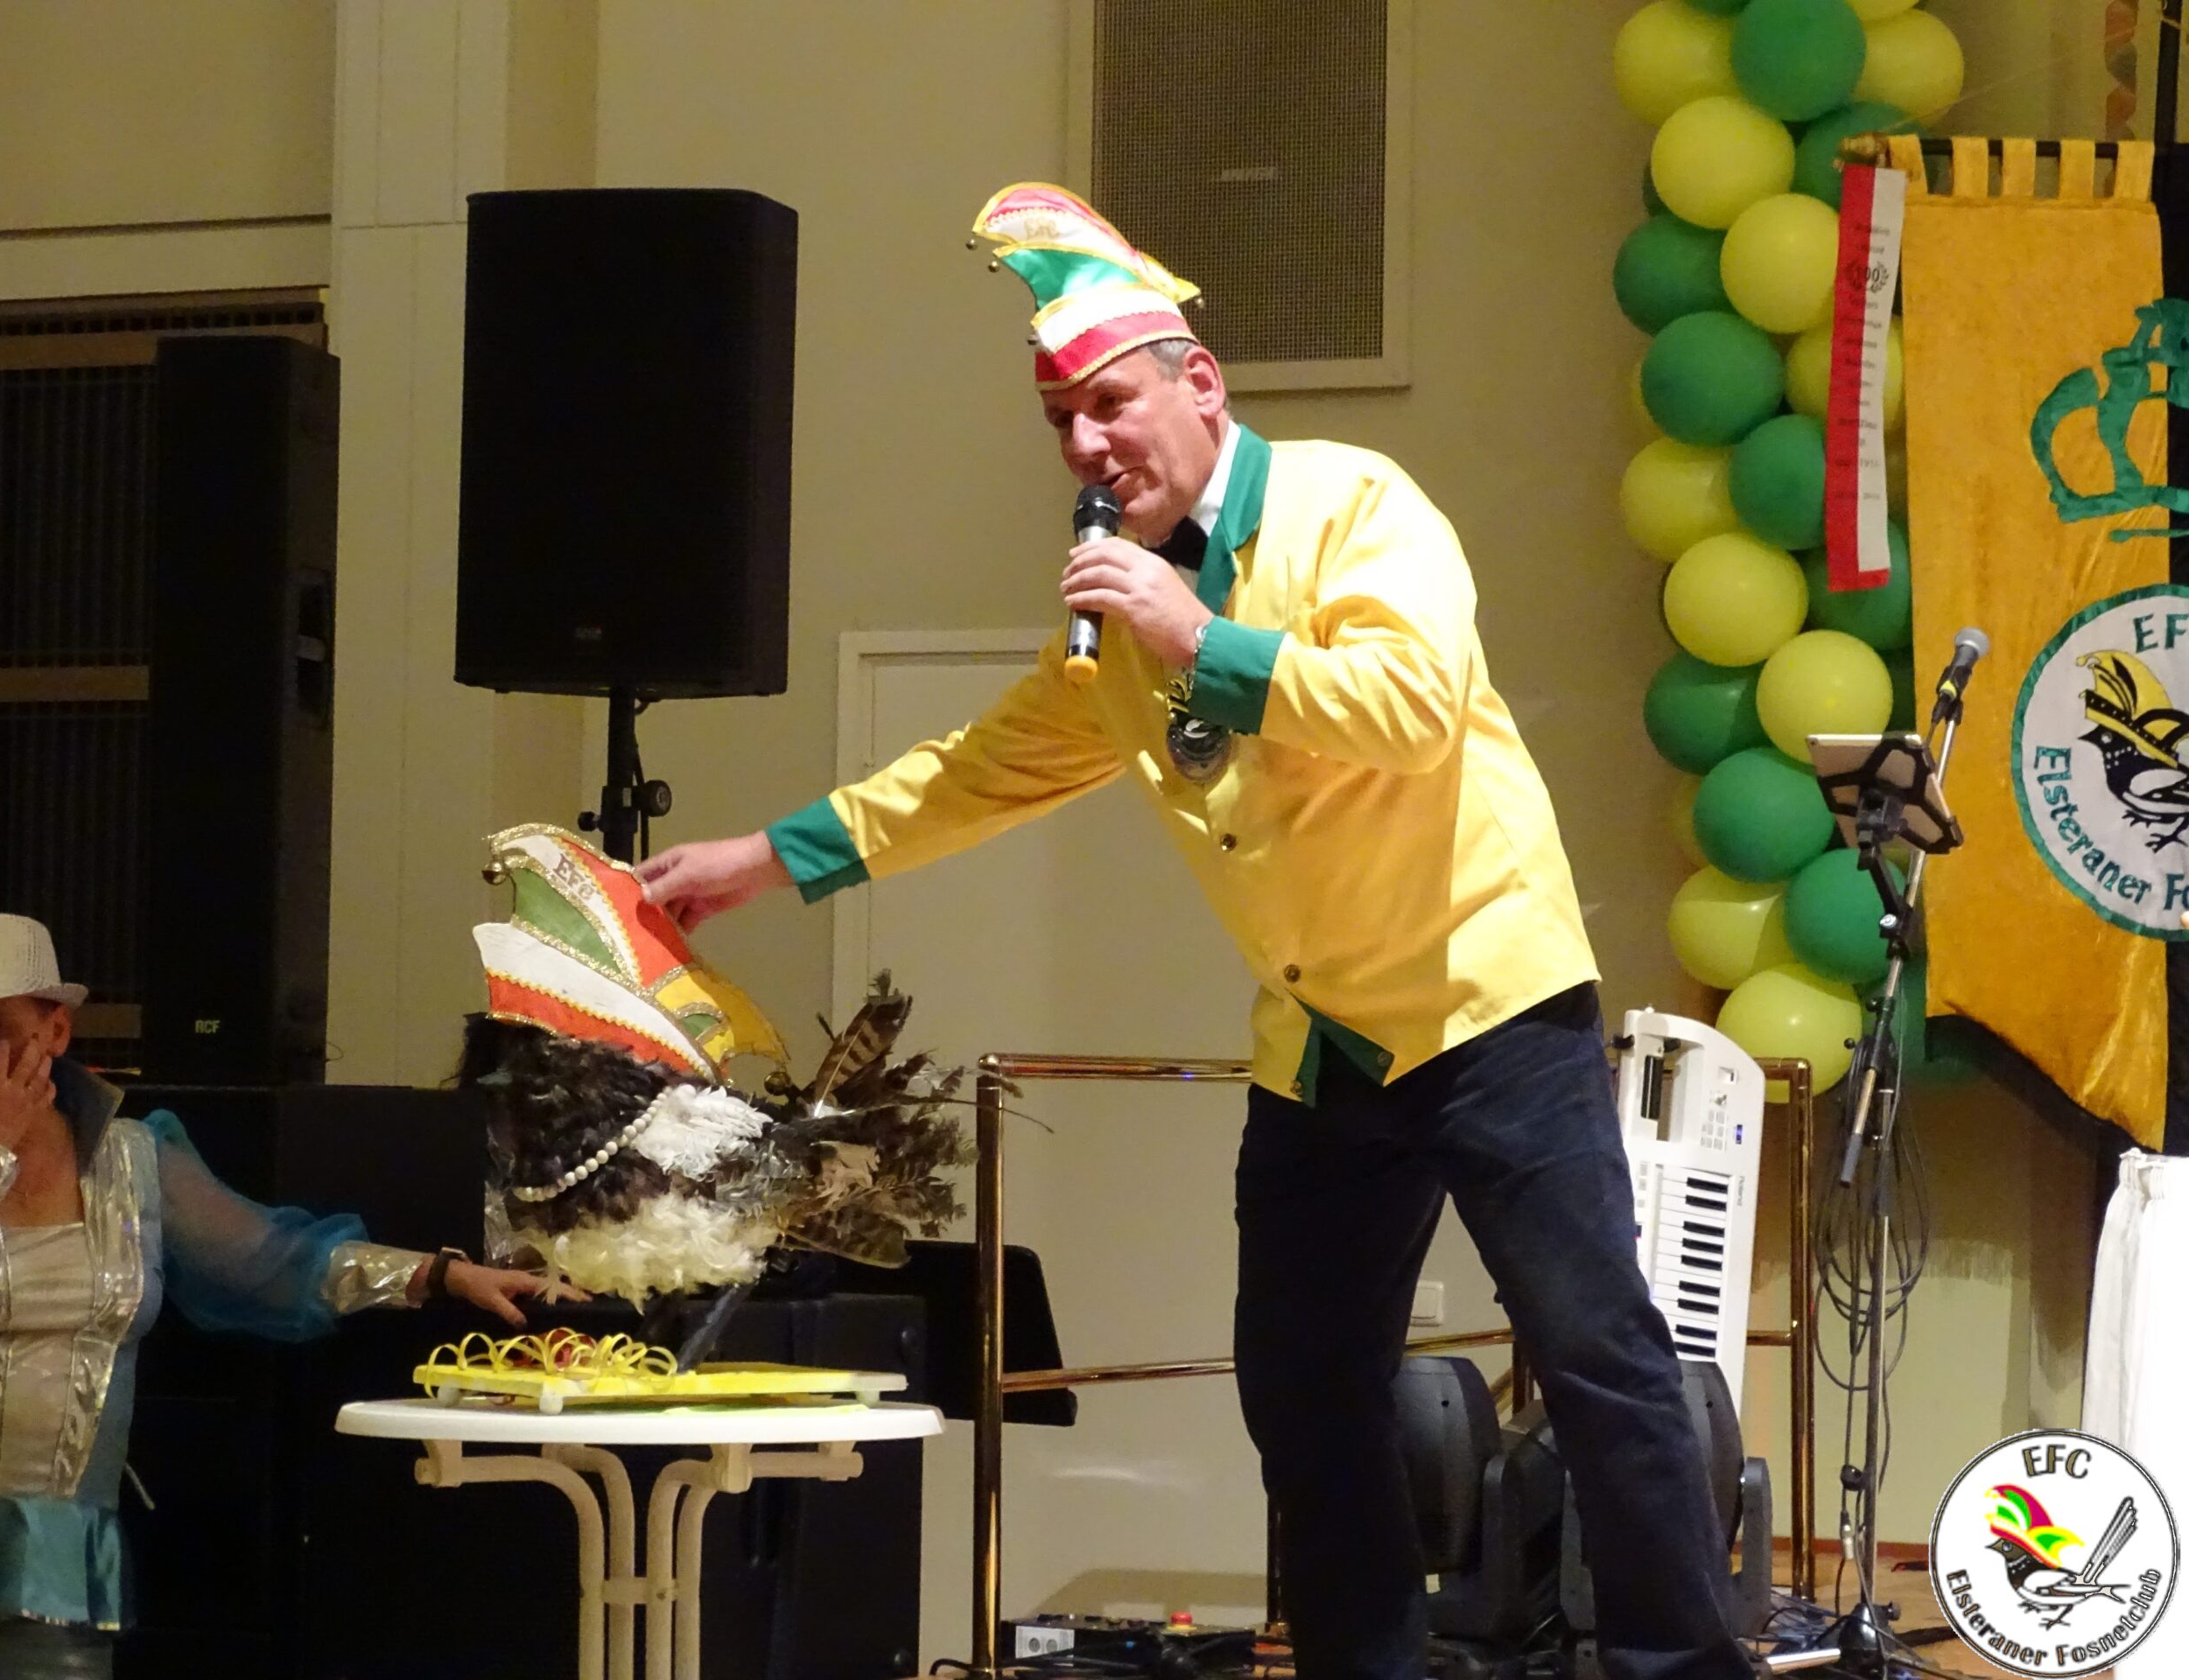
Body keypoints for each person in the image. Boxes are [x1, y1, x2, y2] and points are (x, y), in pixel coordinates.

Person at [636, 184, 1757, 1680]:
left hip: (1486, 1001)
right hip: (1322, 1044)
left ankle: (1682, 1670)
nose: (1088, 445)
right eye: (1063, 422)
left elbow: (1412, 711)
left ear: (1202, 386)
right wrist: (766, 859)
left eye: (1112, 404)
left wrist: (1192, 635)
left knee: (1598, 1358)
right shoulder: (1113, 634)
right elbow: (976, 773)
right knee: (1301, 1388)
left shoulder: (1354, 505)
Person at [0, 914, 559, 1679]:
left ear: (56, 1033)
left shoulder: (131, 1162)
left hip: (56, 1557)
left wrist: (437, 1274)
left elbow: (271, 1262)